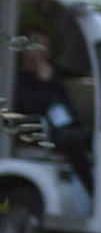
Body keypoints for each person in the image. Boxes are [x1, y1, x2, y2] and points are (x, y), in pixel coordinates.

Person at [10, 35, 94, 199]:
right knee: (74, 140)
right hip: (42, 129)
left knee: (95, 138)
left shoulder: (52, 71)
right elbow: (35, 106)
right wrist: (44, 82)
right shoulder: (21, 79)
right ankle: (92, 189)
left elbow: (72, 73)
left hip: (67, 126)